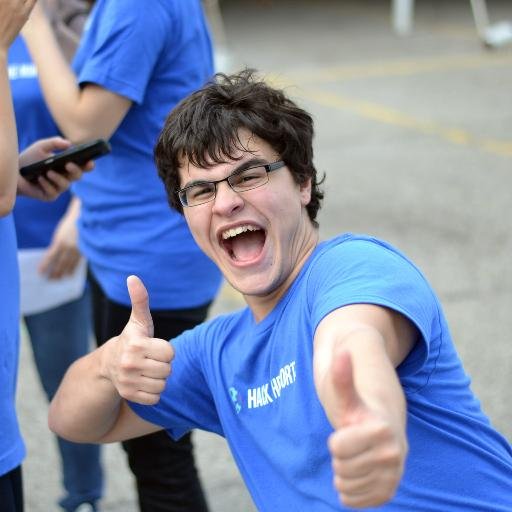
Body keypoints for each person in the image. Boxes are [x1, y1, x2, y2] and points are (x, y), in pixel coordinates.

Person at [48, 69, 512, 511]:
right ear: (186, 215)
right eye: (201, 191)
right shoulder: (216, 355)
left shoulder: (353, 268)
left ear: (303, 182)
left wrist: (371, 421)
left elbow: (351, 346)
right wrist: (109, 365)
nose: (227, 202)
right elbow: (71, 421)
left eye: (249, 175)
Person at [22, 1, 223, 510]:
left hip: (146, 254)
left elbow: (85, 123)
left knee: (159, 456)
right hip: (134, 244)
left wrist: (33, 20)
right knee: (155, 449)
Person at [9, 1, 103, 510]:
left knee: (68, 391)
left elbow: (101, 131)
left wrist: (79, 218)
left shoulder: (55, 33)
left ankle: (83, 496)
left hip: (53, 252)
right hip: (6, 242)